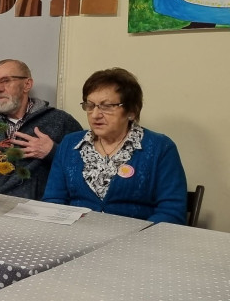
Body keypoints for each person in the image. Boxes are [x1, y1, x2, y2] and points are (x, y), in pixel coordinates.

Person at [43, 68, 187, 223]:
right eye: (90, 105)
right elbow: (53, 201)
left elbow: (172, 212)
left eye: (107, 106)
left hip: (137, 241)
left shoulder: (160, 147)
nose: (95, 114)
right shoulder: (70, 144)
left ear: (131, 111)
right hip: (75, 237)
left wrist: (135, 240)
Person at [0, 59, 82, 199]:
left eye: (5, 81)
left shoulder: (60, 121)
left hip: (37, 209)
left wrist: (53, 152)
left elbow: (83, 170)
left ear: (27, 84)